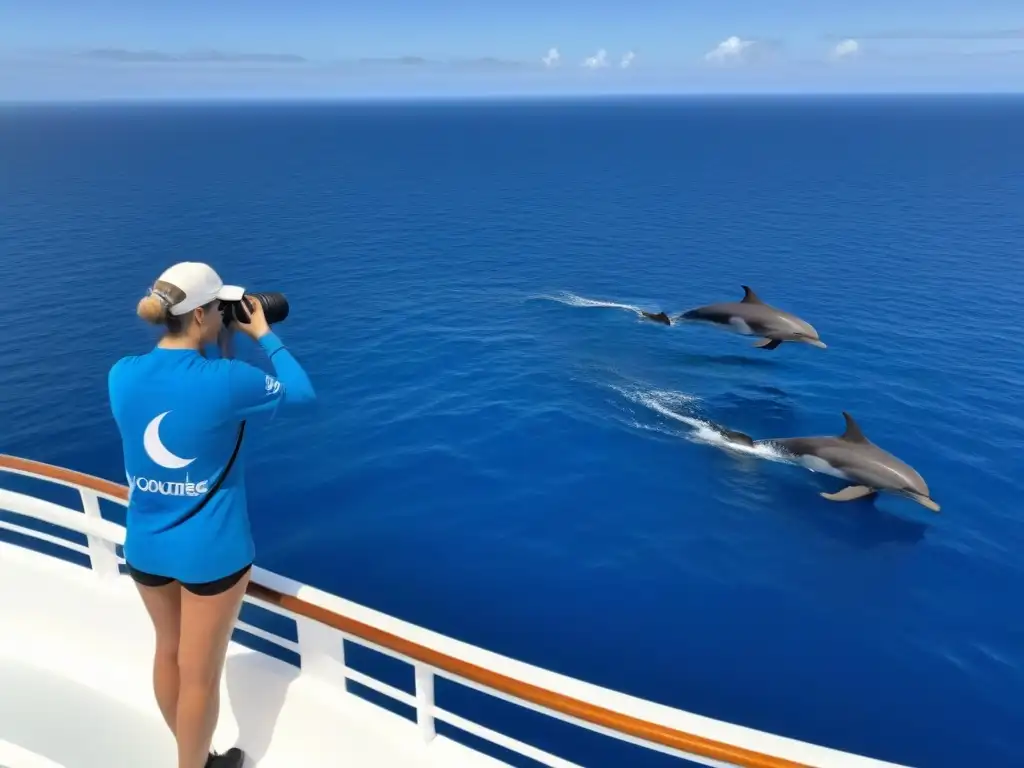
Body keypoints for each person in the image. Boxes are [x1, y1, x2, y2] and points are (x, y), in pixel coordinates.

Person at [108, 262, 316, 768]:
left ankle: (190, 754)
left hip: (145, 547)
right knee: (200, 673)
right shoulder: (230, 380)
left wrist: (220, 348)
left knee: (168, 652)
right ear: (202, 314)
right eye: (219, 311)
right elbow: (303, 395)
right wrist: (265, 337)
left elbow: (189, 393)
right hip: (211, 554)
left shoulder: (122, 373)